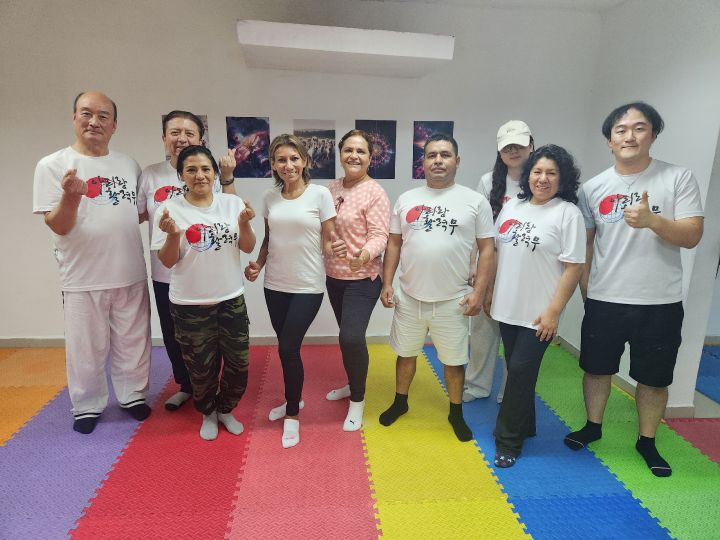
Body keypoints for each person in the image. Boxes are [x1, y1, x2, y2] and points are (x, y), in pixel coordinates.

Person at [564, 102, 704, 477]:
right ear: (609, 140)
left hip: (660, 301)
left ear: (653, 135)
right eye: (621, 130)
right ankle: (592, 427)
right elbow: (586, 246)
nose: (629, 136)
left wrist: (653, 221)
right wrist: (587, 292)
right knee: (596, 370)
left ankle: (647, 440)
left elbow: (692, 234)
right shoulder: (593, 188)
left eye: (639, 128)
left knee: (654, 378)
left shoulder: (677, 178)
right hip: (605, 299)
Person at [32, 91, 152, 434]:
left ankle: (133, 396)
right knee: (85, 348)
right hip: (83, 276)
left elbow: (135, 213)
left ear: (114, 125)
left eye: (103, 116)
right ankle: (87, 404)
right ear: (74, 118)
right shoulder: (52, 165)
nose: (94, 121)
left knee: (134, 341)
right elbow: (58, 225)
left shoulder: (128, 165)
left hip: (130, 270)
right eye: (86, 113)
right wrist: (71, 196)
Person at [379, 133, 495, 442]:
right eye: (431, 155)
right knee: (405, 354)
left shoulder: (475, 201)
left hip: (453, 299)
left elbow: (487, 249)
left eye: (445, 155)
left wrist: (479, 293)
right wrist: (387, 282)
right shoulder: (407, 199)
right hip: (409, 295)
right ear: (423, 162)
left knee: (454, 361)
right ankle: (400, 402)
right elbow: (393, 243)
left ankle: (455, 412)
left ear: (457, 161)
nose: (438, 160)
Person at [244, 134, 346, 448]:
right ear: (273, 165)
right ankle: (294, 398)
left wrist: (334, 247)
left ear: (304, 161)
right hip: (274, 284)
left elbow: (329, 236)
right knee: (286, 349)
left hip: (307, 285)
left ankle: (292, 414)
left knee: (288, 348)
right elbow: (268, 238)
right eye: (281, 160)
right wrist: (258, 264)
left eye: (293, 159)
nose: (288, 165)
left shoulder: (320, 195)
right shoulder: (269, 198)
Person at [490, 144, 585, 468]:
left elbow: (573, 267)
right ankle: (526, 425)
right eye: (537, 171)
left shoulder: (567, 213)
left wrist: (554, 312)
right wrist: (488, 291)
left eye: (551, 173)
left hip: (539, 313)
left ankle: (508, 440)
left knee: (518, 371)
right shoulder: (512, 207)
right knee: (518, 370)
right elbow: (497, 252)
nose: (543, 179)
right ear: (528, 175)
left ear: (563, 178)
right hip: (507, 306)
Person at [152, 145, 256, 440]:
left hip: (230, 299)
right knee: (200, 368)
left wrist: (244, 224)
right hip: (189, 304)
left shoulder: (231, 204)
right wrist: (173, 235)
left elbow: (248, 246)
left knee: (239, 364)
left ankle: (226, 409)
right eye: (191, 170)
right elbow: (167, 261)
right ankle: (208, 412)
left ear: (215, 173)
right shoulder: (169, 210)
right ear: (181, 175)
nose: (200, 175)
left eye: (206, 169)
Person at [137, 110, 237, 411]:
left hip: (204, 272)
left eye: (189, 133)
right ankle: (186, 386)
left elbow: (231, 210)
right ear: (164, 138)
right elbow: (138, 215)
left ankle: (211, 391)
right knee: (173, 335)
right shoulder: (150, 175)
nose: (181, 138)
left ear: (200, 139)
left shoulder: (208, 173)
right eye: (175, 132)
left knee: (212, 339)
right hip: (165, 271)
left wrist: (228, 176)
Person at [324, 130, 390, 431]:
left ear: (370, 158)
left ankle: (358, 400)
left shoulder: (375, 192)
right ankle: (352, 383)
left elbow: (380, 235)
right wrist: (327, 244)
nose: (354, 156)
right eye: (348, 150)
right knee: (347, 337)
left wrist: (362, 255)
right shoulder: (332, 187)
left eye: (361, 151)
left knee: (350, 338)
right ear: (340, 154)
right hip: (334, 276)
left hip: (363, 278)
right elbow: (324, 228)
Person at [465, 120, 535, 404]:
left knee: (516, 336)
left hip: (526, 268)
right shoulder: (488, 181)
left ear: (531, 145)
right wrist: (474, 264)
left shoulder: (541, 180)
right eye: (507, 147)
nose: (513, 151)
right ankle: (477, 385)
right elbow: (478, 228)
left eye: (519, 145)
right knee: (483, 329)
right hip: (492, 262)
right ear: (499, 151)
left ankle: (510, 390)